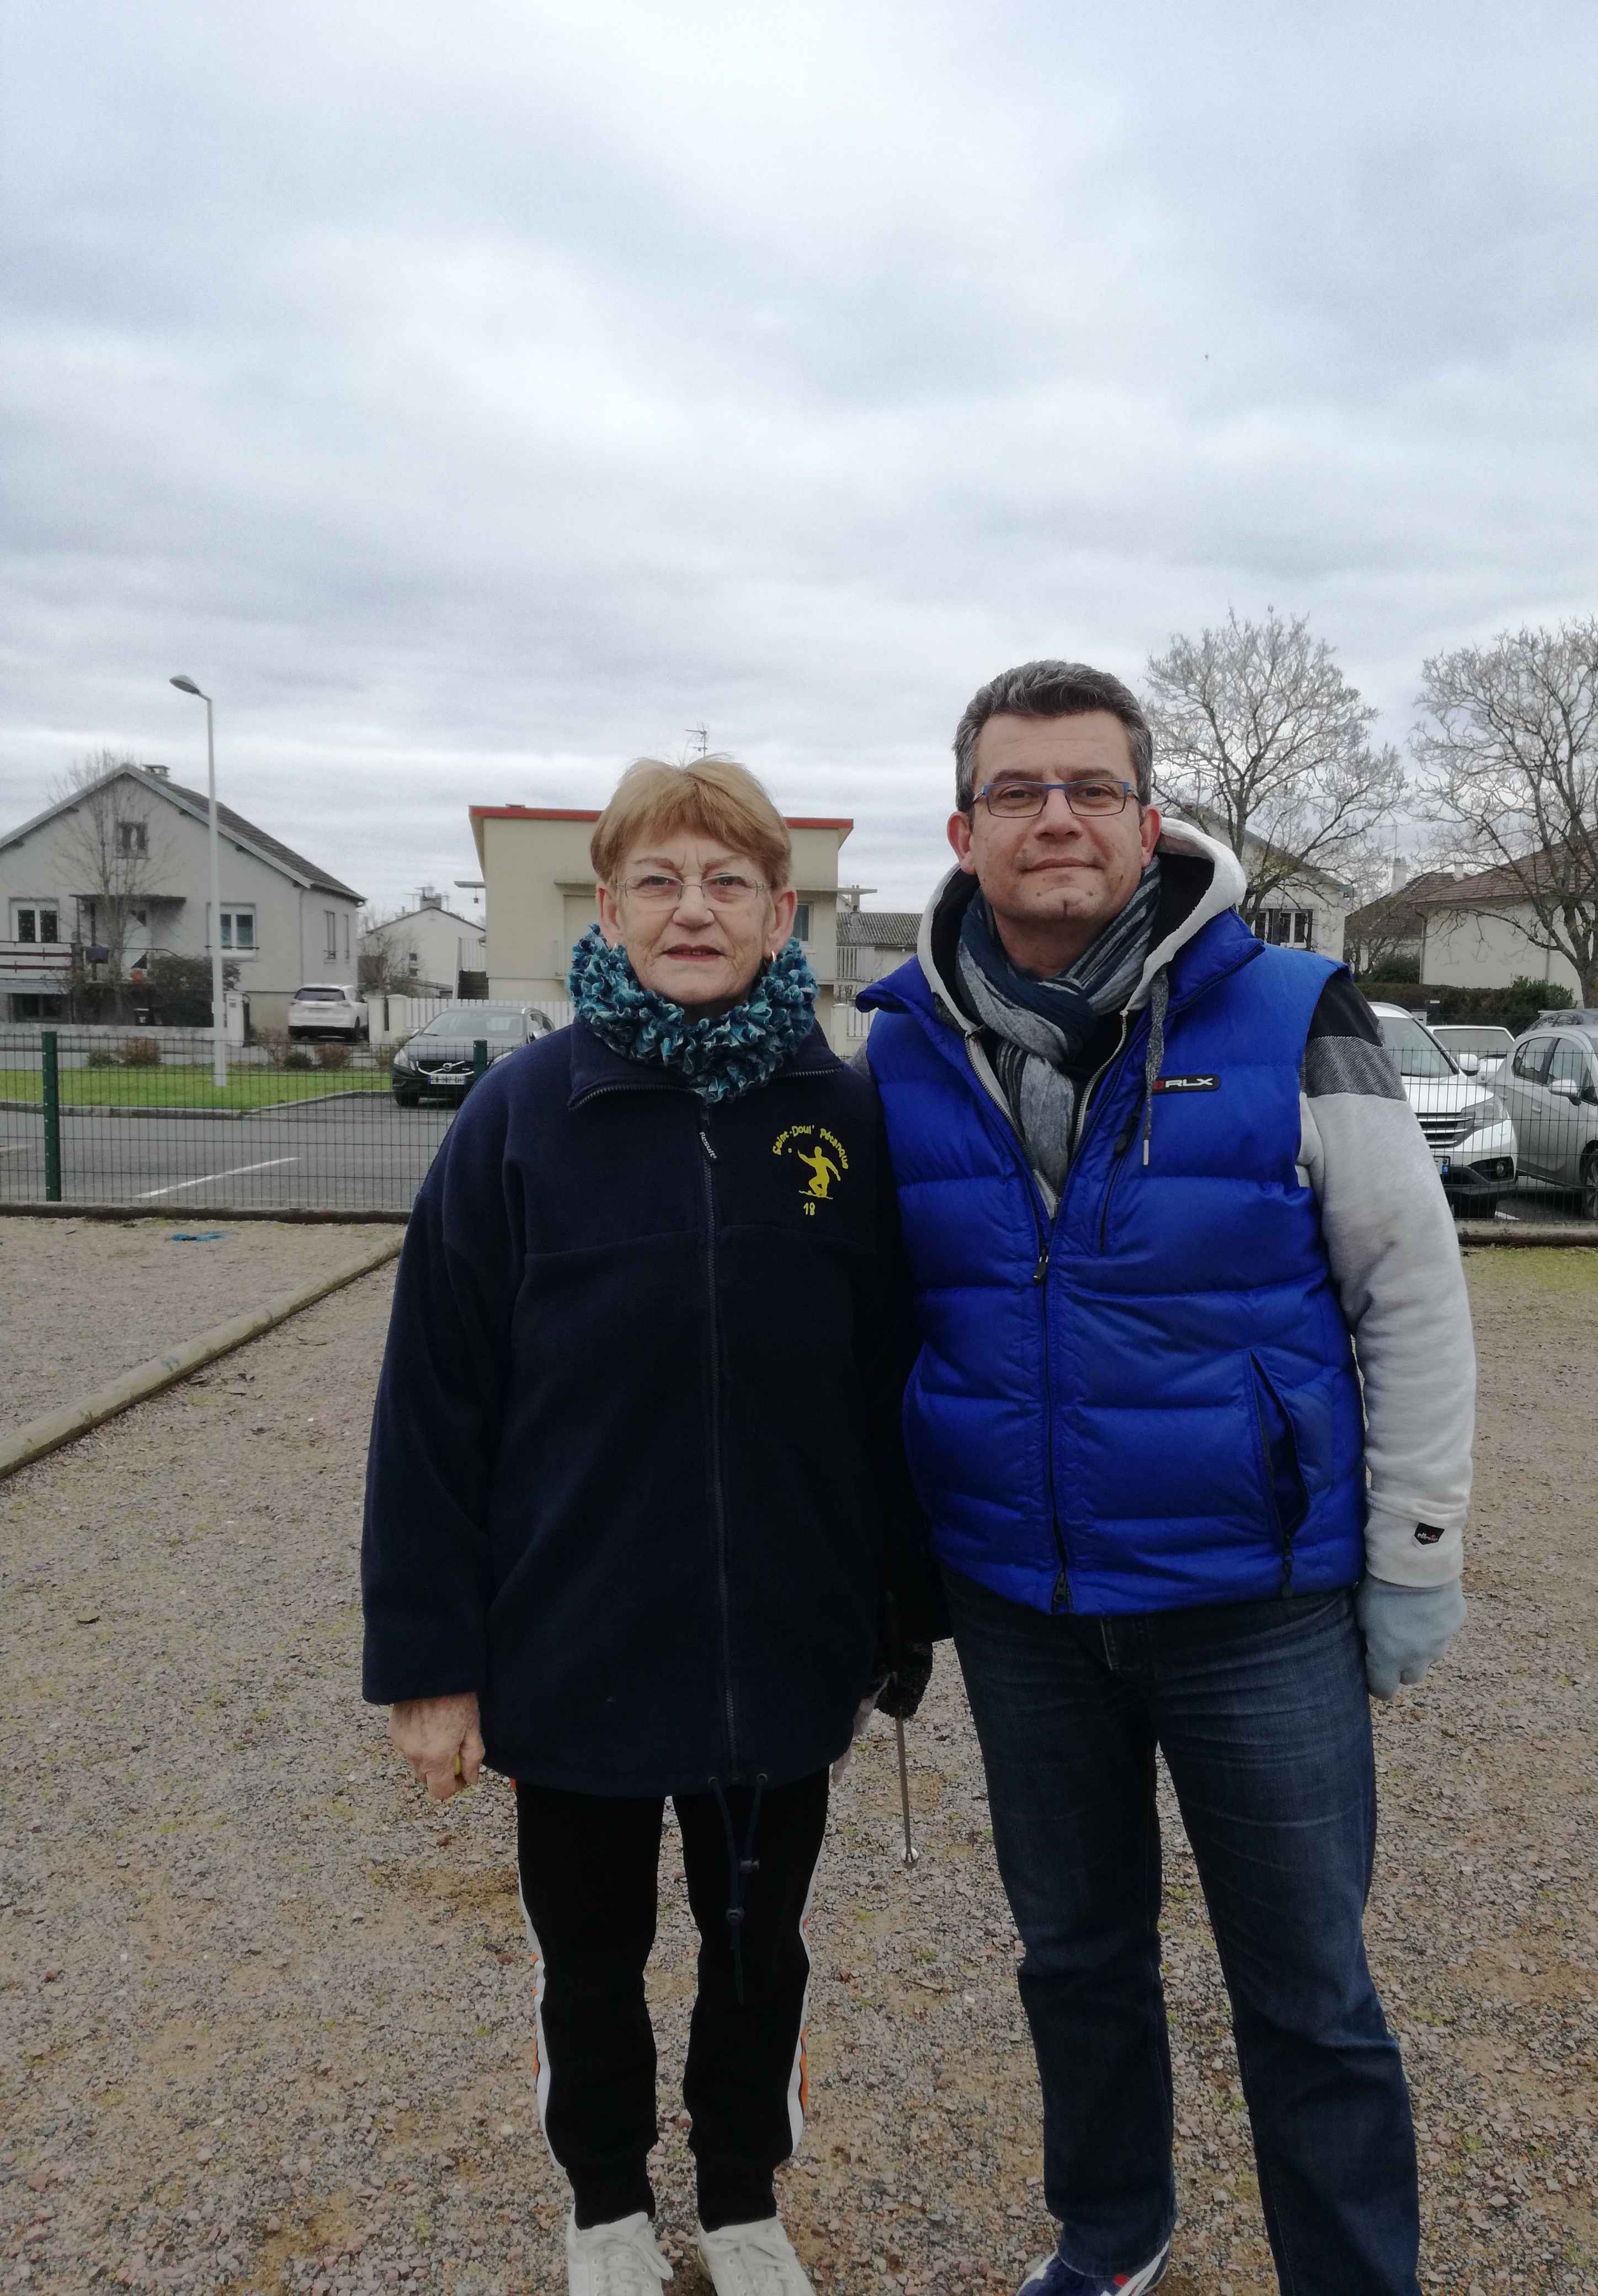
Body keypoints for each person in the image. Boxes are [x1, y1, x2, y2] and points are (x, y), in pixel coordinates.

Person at [855, 661, 1476, 2296]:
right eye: (1017, 791)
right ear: (964, 831)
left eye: (1092, 788)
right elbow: (869, 1318)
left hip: (1254, 1604)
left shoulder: (1294, 1013)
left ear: (1148, 820)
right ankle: (1113, 2238)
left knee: (1309, 1991)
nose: (1056, 817)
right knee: (1076, 1960)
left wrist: (1415, 1547)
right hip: (1025, 1603)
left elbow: (1409, 1288)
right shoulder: (900, 1043)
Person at [362, 756, 933, 2296]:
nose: (695, 910)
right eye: (660, 882)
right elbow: (433, 1403)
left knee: (759, 1954)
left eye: (728, 882)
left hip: (783, 1656)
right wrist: (429, 1661)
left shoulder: (847, 1117)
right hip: (576, 1652)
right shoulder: (521, 1118)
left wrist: (904, 1610)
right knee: (592, 1958)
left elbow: (895, 1382)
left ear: (780, 915)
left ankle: (742, 2202)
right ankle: (606, 2203)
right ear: (606, 908)